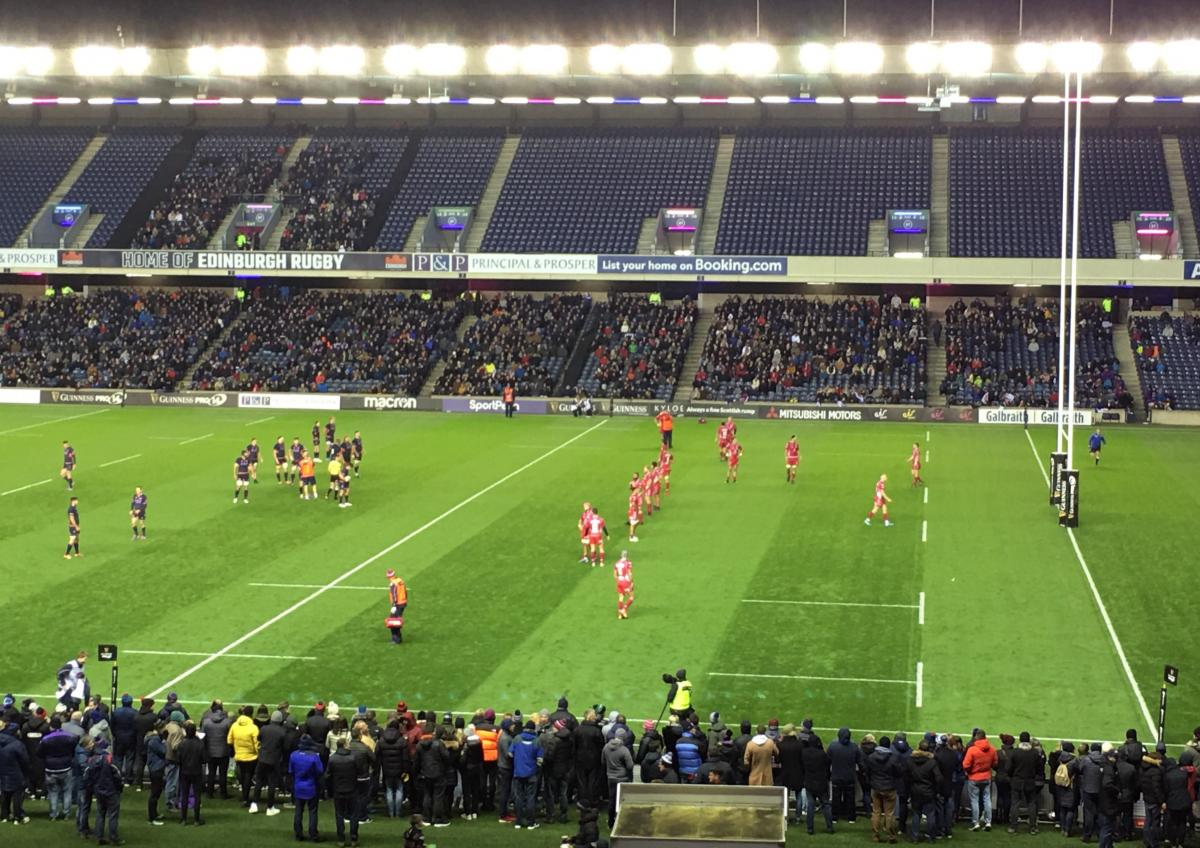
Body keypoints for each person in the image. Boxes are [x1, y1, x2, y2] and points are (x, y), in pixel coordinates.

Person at [82, 739, 122, 843]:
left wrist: (92, 787)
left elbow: (87, 776)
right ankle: (113, 838)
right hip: (111, 790)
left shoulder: (91, 760)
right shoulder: (109, 759)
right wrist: (119, 788)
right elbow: (117, 775)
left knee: (100, 813)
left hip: (98, 790)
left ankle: (99, 837)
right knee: (113, 815)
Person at [865, 734, 901, 843]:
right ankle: (891, 836)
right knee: (889, 813)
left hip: (876, 788)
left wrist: (871, 782)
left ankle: (876, 835)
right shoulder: (893, 758)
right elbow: (898, 773)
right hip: (889, 789)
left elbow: (868, 772)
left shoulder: (871, 757)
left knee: (876, 812)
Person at [1006, 731, 1043, 834]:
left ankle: (1013, 827)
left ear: (1020, 740)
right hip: (1030, 781)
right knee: (1031, 804)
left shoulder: (1015, 752)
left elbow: (1008, 768)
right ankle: (1033, 827)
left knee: (1015, 804)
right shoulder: (1035, 753)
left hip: (1017, 781)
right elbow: (1040, 768)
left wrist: (1012, 776)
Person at [289, 733, 324, 841]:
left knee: (298, 811)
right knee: (312, 811)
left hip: (298, 786)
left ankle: (298, 834)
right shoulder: (314, 756)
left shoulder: (293, 755)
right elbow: (320, 771)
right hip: (311, 786)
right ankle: (313, 834)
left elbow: (291, 771)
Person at [252, 710, 287, 816]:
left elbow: (259, 739)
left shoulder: (264, 728)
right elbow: (284, 747)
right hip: (274, 760)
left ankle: (254, 804)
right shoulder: (282, 732)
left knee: (259, 781)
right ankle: (270, 807)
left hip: (262, 758)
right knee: (272, 783)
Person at [326, 737, 359, 846]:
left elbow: (328, 776)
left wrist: (330, 789)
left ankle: (341, 838)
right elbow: (359, 772)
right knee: (353, 814)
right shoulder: (353, 758)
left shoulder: (332, 759)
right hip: (352, 789)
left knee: (339, 815)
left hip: (338, 790)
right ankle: (353, 838)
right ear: (345, 745)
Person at [962, 729, 997, 831]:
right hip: (986, 777)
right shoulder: (992, 749)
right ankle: (988, 822)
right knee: (987, 799)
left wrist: (970, 772)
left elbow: (965, 765)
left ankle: (976, 822)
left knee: (974, 801)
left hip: (974, 778)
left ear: (977, 737)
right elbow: (995, 763)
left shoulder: (972, 750)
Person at [510, 720, 542, 830]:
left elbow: (510, 754)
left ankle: (518, 822)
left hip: (518, 773)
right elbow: (540, 760)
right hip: (532, 773)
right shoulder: (537, 741)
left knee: (519, 798)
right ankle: (530, 822)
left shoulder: (517, 738)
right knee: (531, 798)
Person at [907, 738, 940, 842]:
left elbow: (906, 776)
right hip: (928, 791)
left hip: (915, 791)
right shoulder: (932, 762)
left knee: (916, 814)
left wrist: (910, 787)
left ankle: (915, 837)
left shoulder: (910, 760)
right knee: (930, 814)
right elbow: (939, 778)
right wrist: (936, 789)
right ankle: (930, 837)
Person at [227, 705, 260, 809]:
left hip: (239, 755)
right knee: (248, 776)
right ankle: (246, 798)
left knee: (243, 775)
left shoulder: (235, 726)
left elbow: (229, 740)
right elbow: (257, 744)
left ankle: (245, 797)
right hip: (251, 757)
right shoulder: (253, 727)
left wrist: (237, 745)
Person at [199, 700, 231, 799]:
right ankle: (223, 793)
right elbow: (230, 736)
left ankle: (210, 792)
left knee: (211, 773)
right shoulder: (227, 722)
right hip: (223, 751)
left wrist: (204, 749)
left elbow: (202, 736)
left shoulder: (206, 722)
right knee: (223, 774)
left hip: (210, 751)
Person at [176, 722, 206, 825]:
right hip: (196, 771)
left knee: (184, 795)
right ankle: (196, 820)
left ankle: (183, 819)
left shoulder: (182, 744)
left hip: (184, 772)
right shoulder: (200, 744)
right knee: (197, 796)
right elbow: (204, 759)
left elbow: (178, 759)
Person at [0, 720, 29, 825]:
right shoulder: (17, 744)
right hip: (15, 771)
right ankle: (17, 816)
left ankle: (4, 815)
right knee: (17, 795)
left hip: (3, 772)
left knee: (5, 794)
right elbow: (24, 760)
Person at [603, 728, 633, 828]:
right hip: (622, 778)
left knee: (612, 800)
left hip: (610, 777)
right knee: (622, 801)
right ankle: (622, 822)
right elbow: (630, 766)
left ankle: (610, 822)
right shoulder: (624, 750)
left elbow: (602, 761)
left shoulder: (606, 747)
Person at [145, 726, 166, 826]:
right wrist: (166, 744)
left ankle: (154, 814)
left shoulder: (154, 739)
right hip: (156, 768)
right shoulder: (155, 741)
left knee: (157, 792)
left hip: (155, 767)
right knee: (154, 793)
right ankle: (151, 818)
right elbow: (163, 751)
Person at [387, 570, 408, 644]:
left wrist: (394, 605)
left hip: (397, 604)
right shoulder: (400, 580)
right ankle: (399, 638)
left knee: (393, 621)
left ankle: (396, 639)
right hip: (403, 603)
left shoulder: (393, 584)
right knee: (397, 620)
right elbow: (405, 591)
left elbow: (394, 595)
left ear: (389, 576)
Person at [613, 551, 634, 620]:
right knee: (631, 597)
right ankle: (624, 609)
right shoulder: (628, 563)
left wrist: (618, 582)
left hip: (619, 581)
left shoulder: (616, 563)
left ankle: (620, 615)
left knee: (621, 597)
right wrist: (631, 582)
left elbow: (615, 575)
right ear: (626, 556)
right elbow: (629, 573)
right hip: (626, 581)